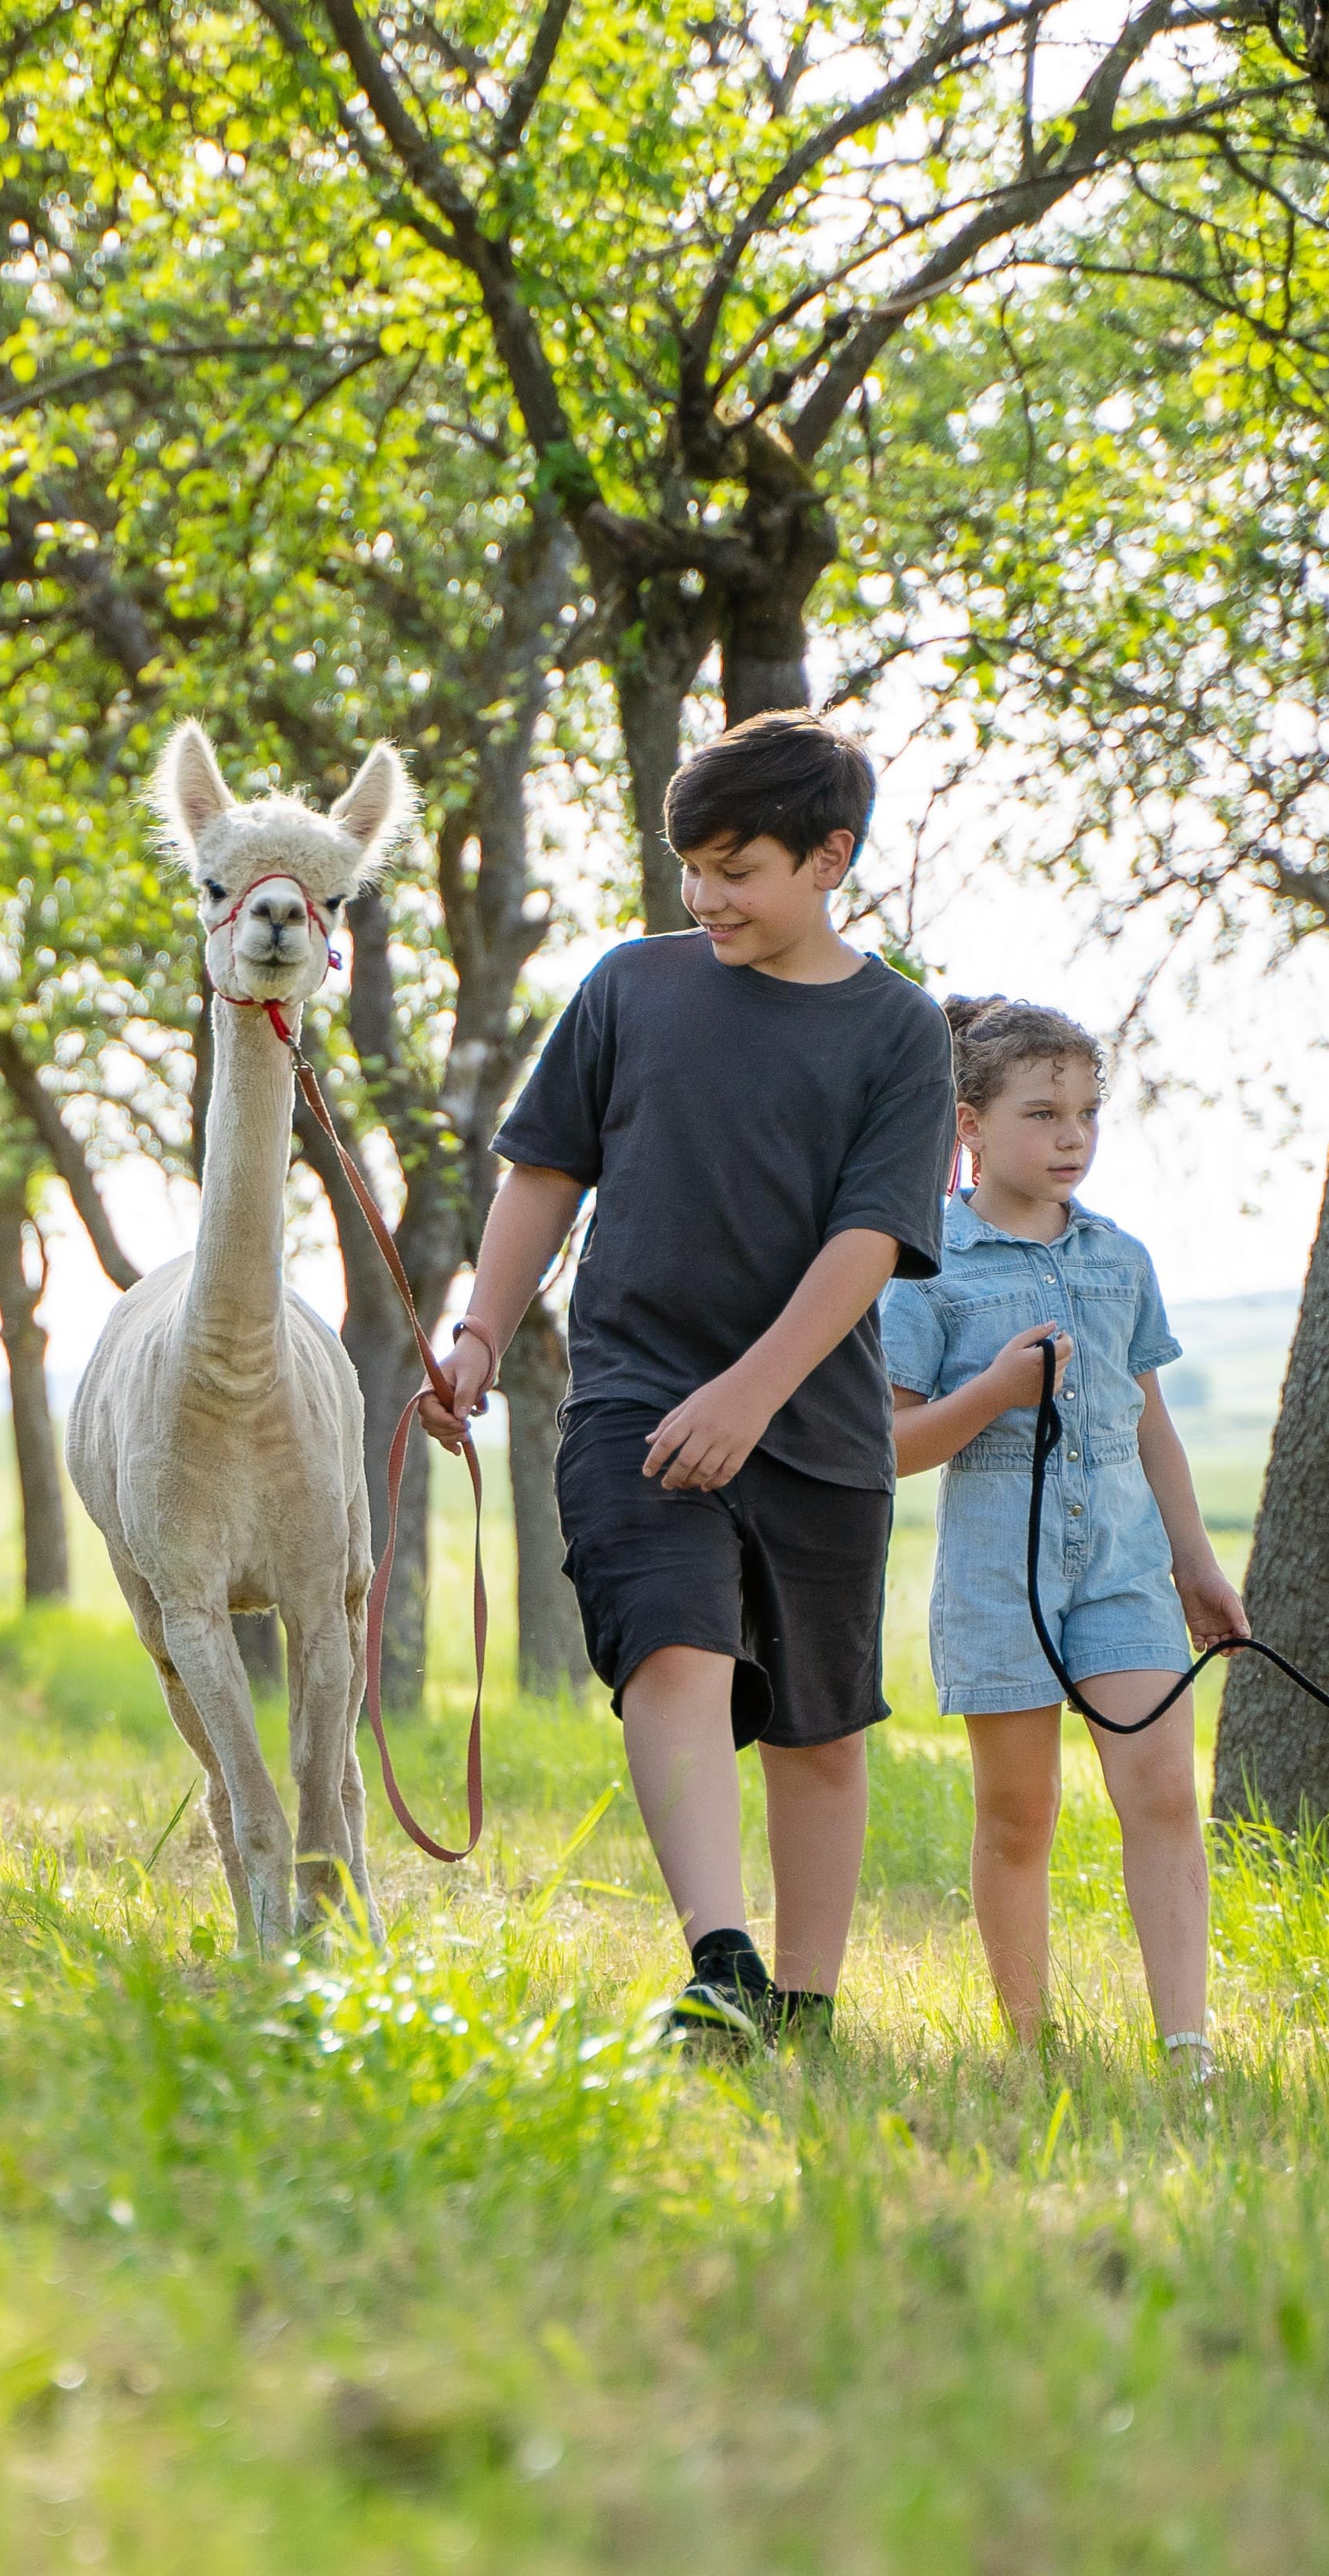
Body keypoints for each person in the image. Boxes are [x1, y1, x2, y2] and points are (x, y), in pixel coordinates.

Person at [423, 709, 954, 2047]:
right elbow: (543, 1172)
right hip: (633, 1397)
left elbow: (871, 1240)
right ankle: (722, 1966)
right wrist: (480, 1334)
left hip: (816, 1424)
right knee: (674, 1647)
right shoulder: (629, 987)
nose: (707, 896)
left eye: (738, 868)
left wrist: (754, 1394)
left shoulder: (901, 1033)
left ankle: (811, 2008)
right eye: (690, 870)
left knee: (822, 1730)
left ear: (829, 860)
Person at [880, 997, 1248, 2071]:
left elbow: (1153, 1425)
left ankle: (1188, 2047)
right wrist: (995, 1392)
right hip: (1002, 1580)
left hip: (1125, 1575)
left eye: (1088, 1111)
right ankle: (1031, 2047)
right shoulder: (925, 1262)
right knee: (1019, 1813)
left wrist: (1198, 1566)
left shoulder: (1119, 1259)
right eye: (1043, 1113)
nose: (1073, 1135)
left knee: (1165, 1797)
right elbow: (891, 1445)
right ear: (971, 1125)